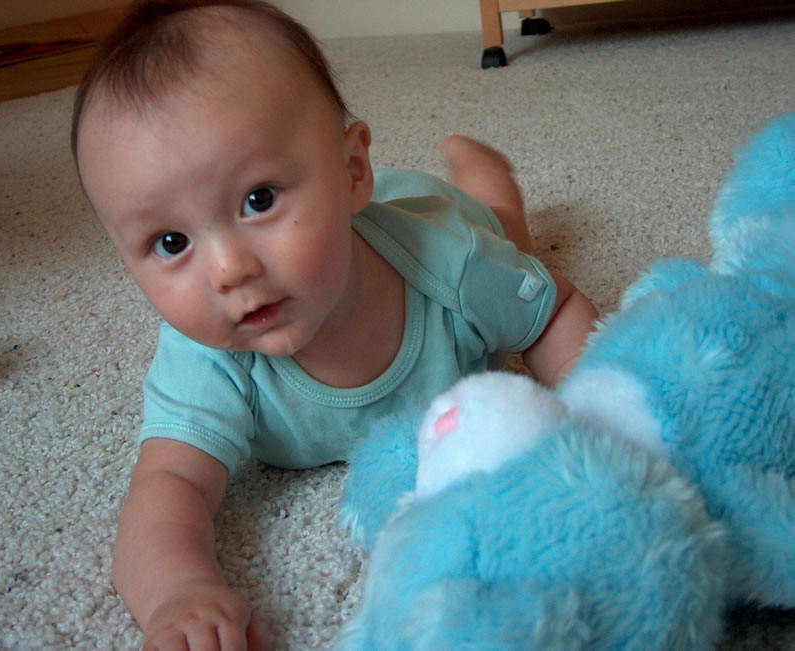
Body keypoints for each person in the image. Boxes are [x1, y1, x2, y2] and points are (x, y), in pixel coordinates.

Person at [70, 0, 599, 647]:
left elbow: (555, 312)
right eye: (171, 241)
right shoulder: (207, 355)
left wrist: (598, 416)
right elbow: (166, 485)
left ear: (351, 172)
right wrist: (178, 592)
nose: (229, 269)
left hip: (424, 211)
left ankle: (487, 181)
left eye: (257, 199)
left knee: (505, 231)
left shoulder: (449, 262)